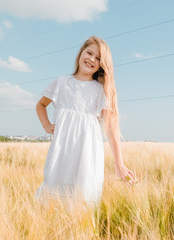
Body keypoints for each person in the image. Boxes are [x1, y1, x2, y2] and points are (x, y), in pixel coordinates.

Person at [34, 36, 137, 208]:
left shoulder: (100, 91)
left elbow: (111, 129)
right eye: (89, 53)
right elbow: (41, 105)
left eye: (98, 58)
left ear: (102, 65)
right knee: (52, 200)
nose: (91, 59)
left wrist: (119, 164)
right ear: (81, 52)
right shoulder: (61, 83)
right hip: (61, 154)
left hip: (87, 157)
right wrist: (46, 125)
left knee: (81, 202)